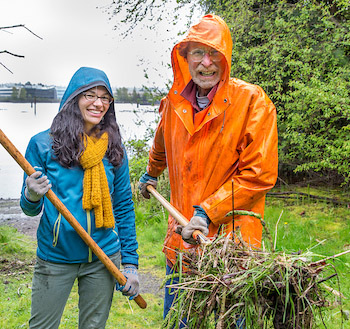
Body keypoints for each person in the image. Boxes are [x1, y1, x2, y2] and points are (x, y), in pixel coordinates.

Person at [138, 14, 278, 327]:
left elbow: (259, 175)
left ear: (226, 58)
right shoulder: (174, 105)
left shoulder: (253, 103)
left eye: (214, 53)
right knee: (180, 323)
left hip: (230, 251)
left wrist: (207, 212)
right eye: (198, 53)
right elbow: (161, 146)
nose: (206, 63)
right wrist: (151, 173)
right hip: (182, 248)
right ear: (184, 58)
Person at [20, 67, 139, 329]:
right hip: (55, 257)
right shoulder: (42, 145)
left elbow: (123, 207)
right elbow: (30, 209)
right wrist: (31, 193)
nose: (99, 103)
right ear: (74, 98)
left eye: (105, 97)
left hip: (103, 258)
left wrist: (129, 263)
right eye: (90, 95)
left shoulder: (113, 147)